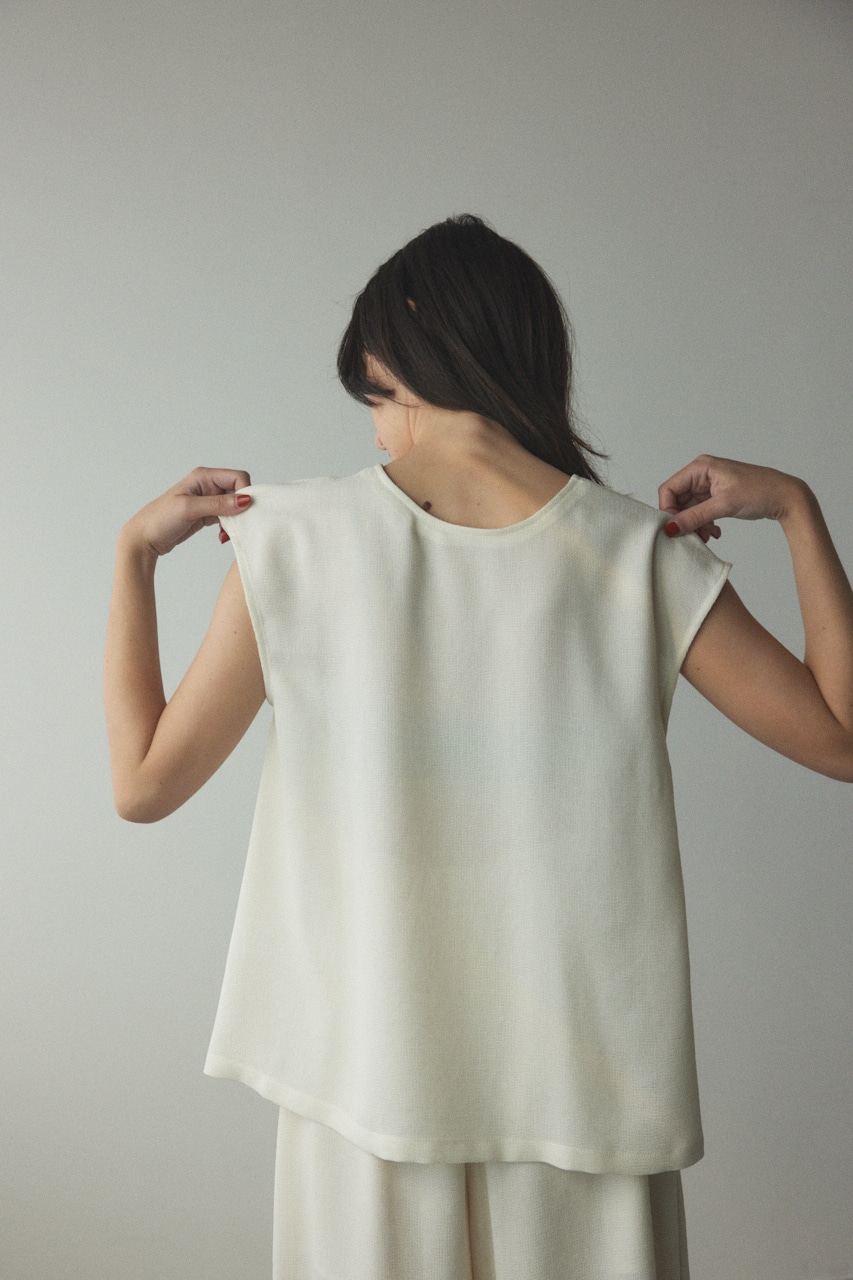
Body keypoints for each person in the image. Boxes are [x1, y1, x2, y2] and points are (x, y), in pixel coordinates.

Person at [104, 214, 853, 1280]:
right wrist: (796, 509)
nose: (377, 435)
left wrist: (134, 556)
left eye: (374, 395)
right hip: (584, 1095)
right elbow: (841, 737)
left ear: (405, 352)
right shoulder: (635, 553)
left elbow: (141, 784)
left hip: (363, 1079)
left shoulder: (294, 540)